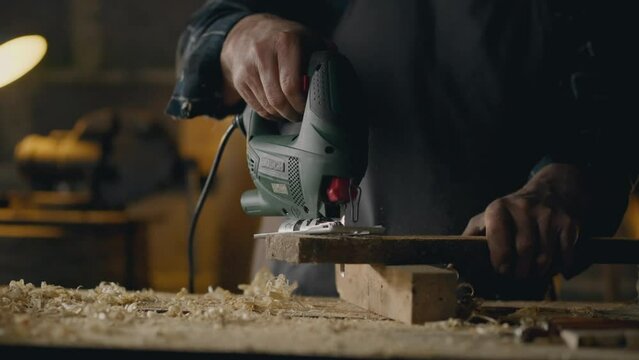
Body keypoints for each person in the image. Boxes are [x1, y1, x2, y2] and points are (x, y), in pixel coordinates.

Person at [167, 0, 636, 299]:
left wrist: (561, 186)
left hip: (489, 311)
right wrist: (237, 36)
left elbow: (609, 120)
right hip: (302, 297)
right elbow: (200, 33)